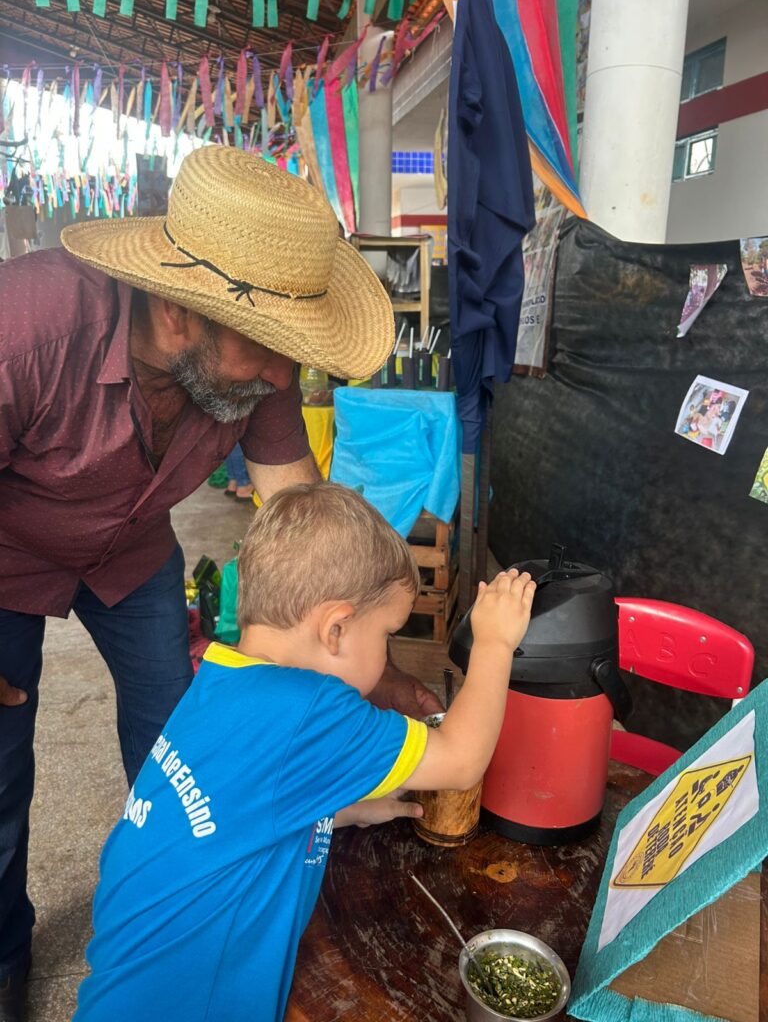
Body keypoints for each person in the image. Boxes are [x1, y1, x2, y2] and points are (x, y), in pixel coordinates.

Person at [0, 146, 441, 1022]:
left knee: (191, 741)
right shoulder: (26, 328)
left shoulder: (256, 370)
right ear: (175, 310)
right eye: (270, 353)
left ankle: (186, 883)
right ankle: (6, 958)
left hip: (132, 557)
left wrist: (388, 680)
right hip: (8, 556)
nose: (286, 378)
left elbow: (315, 550)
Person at [72, 483, 536, 1022]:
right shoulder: (311, 709)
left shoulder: (223, 676)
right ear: (336, 629)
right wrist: (496, 643)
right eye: (387, 633)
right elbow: (461, 760)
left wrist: (329, 811)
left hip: (124, 984)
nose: (388, 651)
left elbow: (233, 812)